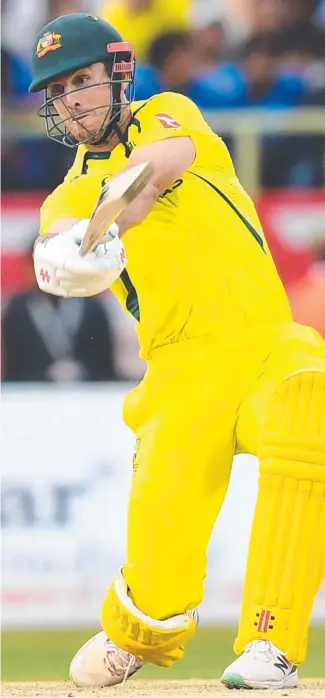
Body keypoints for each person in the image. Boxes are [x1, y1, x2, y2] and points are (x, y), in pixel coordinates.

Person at [29, 12, 325, 691]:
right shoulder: (63, 195)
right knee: (161, 572)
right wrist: (67, 258)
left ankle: (269, 643)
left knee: (309, 411)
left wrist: (107, 217)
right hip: (179, 374)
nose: (71, 100)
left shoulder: (168, 112)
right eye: (57, 91)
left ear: (117, 73)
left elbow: (159, 168)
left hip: (262, 342)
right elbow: (54, 254)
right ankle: (139, 628)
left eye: (81, 81)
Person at [2, 239, 118, 382]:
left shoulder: (92, 307)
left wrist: (82, 373)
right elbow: (14, 368)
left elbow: (105, 367)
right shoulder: (18, 309)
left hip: (88, 394)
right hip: (33, 394)